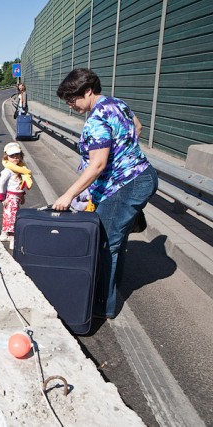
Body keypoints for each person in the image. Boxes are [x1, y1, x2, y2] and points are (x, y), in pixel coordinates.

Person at [52, 68, 158, 319]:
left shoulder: (97, 118)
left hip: (125, 185)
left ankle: (103, 307)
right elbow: (138, 127)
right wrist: (125, 154)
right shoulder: (116, 104)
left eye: (72, 99)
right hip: (138, 176)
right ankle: (105, 296)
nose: (70, 105)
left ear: (88, 91)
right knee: (114, 242)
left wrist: (68, 195)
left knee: (106, 245)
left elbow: (97, 164)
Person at [0, 142, 33, 250]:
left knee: (8, 216)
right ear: (6, 157)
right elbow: (0, 184)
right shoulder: (8, 170)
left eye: (17, 155)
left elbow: (19, 185)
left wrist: (22, 196)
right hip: (11, 197)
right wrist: (1, 198)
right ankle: (12, 238)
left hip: (16, 197)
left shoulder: (19, 169)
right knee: (12, 218)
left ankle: (4, 234)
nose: (15, 158)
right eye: (12, 156)